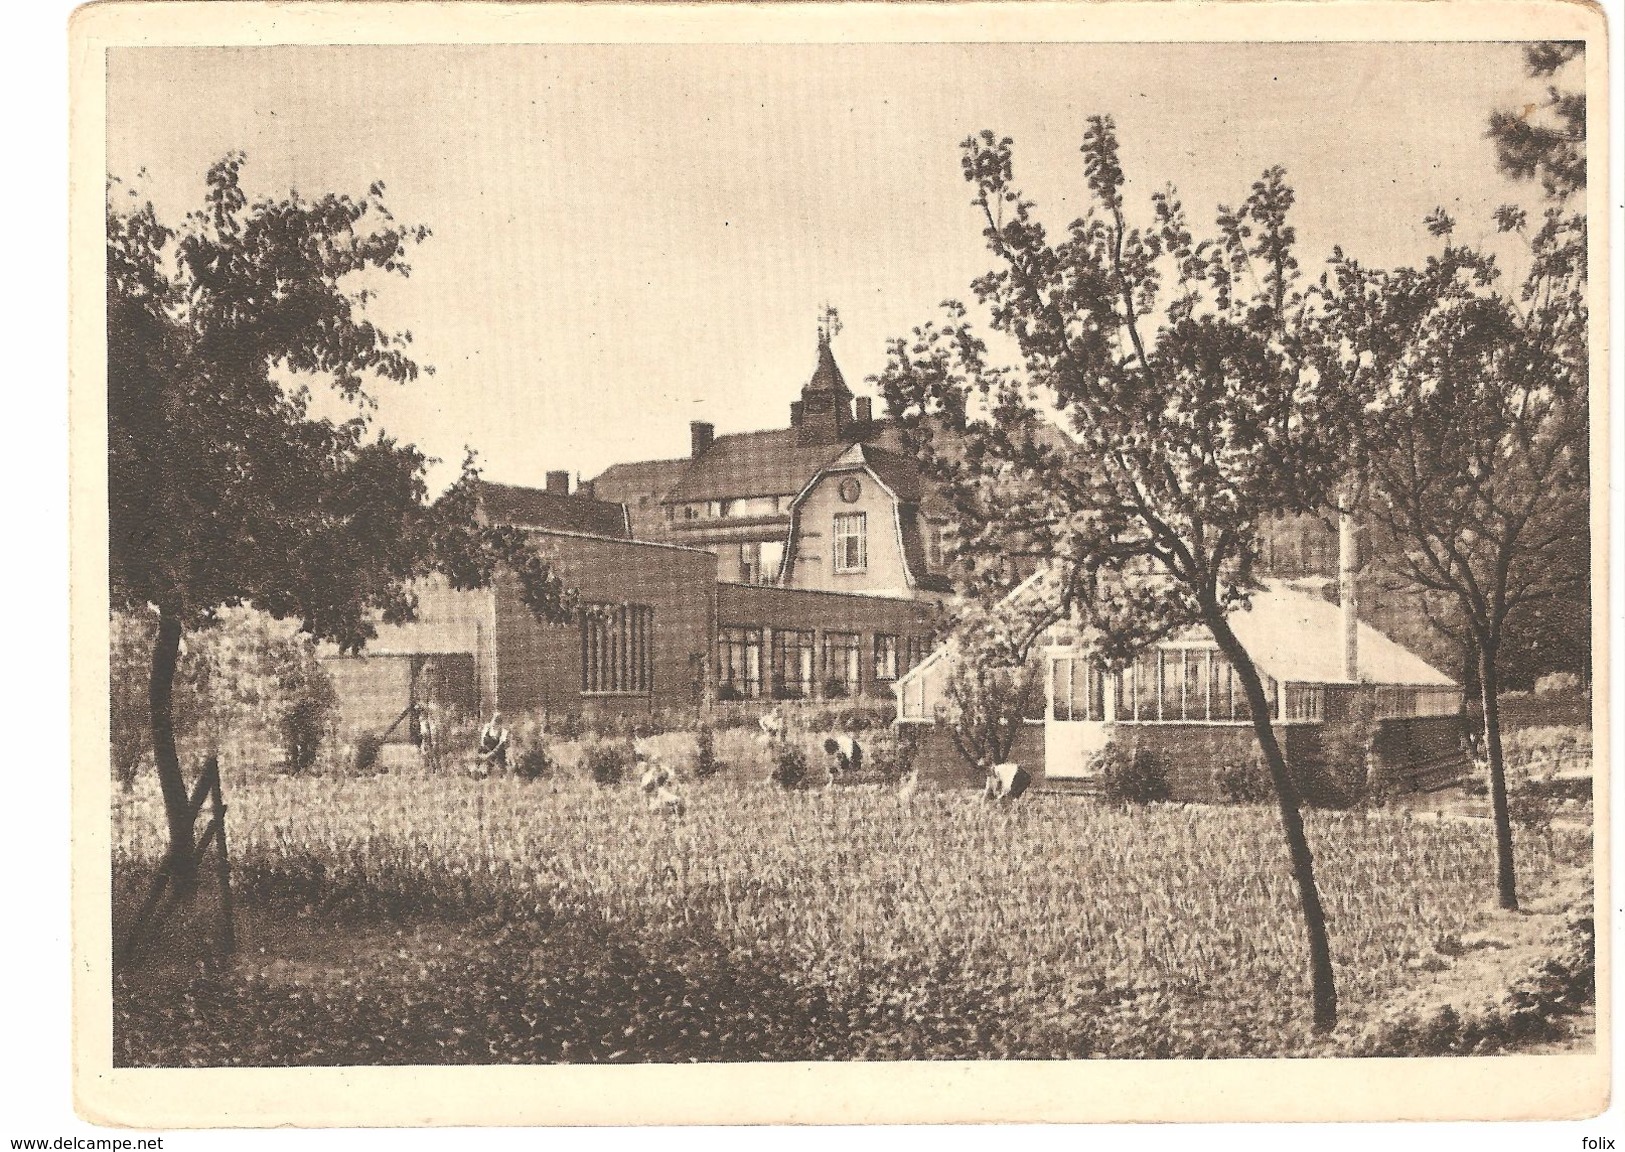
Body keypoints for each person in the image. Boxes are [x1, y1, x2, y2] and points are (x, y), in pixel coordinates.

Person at [475, 711, 509, 776]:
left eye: (497, 722)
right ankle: (480, 772)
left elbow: (499, 747)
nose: (494, 724)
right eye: (494, 721)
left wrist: (488, 755)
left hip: (498, 753)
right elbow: (482, 740)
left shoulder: (504, 731)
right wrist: (483, 752)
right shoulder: (487, 727)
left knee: (498, 769)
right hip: (487, 750)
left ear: (500, 724)